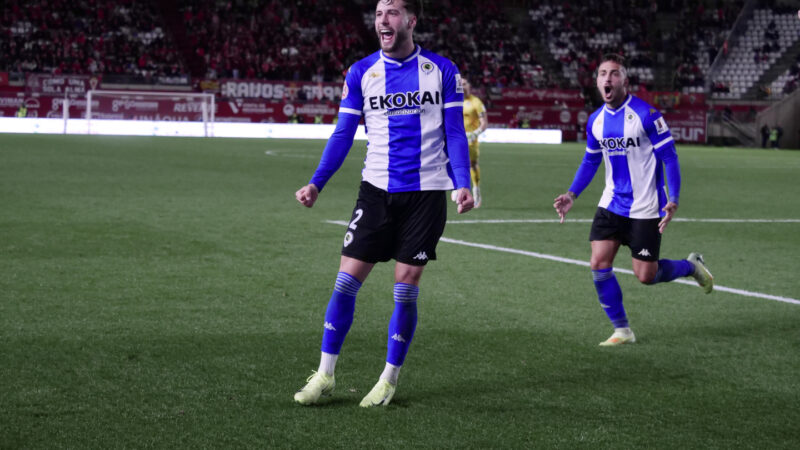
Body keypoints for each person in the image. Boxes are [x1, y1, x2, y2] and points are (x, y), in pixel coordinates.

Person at [293, 0, 474, 407]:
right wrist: (316, 183)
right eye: (378, 14)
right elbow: (343, 134)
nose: (383, 20)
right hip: (375, 190)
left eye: (392, 12)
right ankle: (324, 375)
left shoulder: (442, 71)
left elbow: (455, 132)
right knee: (346, 280)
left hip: (426, 194)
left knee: (405, 286)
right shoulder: (361, 73)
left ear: (411, 20)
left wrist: (462, 183)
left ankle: (388, 379)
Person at [553, 54, 714, 347]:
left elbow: (670, 157)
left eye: (614, 73)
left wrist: (673, 198)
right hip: (611, 203)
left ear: (625, 81)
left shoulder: (647, 115)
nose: (607, 78)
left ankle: (691, 267)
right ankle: (622, 330)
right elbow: (590, 162)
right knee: (598, 263)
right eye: (603, 73)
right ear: (597, 81)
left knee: (646, 276)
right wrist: (571, 194)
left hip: (646, 205)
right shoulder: (596, 121)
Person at [452, 78, 488, 207]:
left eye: (465, 83)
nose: (462, 86)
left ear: (470, 86)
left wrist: (474, 134)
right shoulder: (453, 100)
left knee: (472, 164)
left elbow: (484, 123)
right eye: (460, 84)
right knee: (452, 161)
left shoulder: (476, 102)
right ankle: (457, 187)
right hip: (455, 139)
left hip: (471, 140)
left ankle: (476, 189)